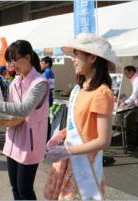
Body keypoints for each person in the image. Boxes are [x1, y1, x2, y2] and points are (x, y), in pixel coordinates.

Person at [44, 33, 118, 200]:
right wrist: (61, 134)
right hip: (68, 160)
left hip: (84, 167)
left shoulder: (102, 93)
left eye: (76, 54)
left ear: (92, 57)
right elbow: (78, 124)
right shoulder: (80, 88)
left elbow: (103, 141)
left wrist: (67, 150)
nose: (73, 59)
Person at [0, 40, 49, 200]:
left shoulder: (40, 83)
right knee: (15, 187)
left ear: (27, 57)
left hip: (30, 143)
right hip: (12, 140)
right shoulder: (15, 82)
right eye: (10, 61)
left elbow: (23, 109)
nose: (12, 65)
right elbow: (9, 107)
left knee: (25, 190)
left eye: (15, 60)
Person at [41, 56, 55, 142]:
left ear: (47, 63)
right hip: (49, 98)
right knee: (46, 119)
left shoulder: (47, 73)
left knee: (44, 120)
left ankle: (46, 140)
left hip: (45, 100)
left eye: (42, 62)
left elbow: (42, 87)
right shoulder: (51, 73)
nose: (40, 64)